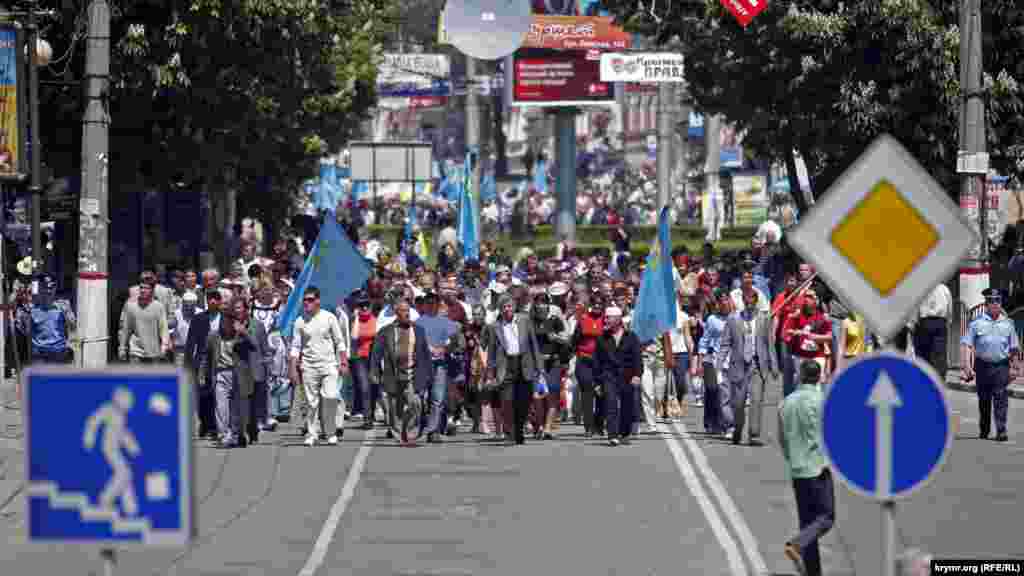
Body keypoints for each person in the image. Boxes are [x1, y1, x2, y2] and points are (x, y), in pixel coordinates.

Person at [779, 360, 835, 576]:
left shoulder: (786, 403)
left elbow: (782, 438)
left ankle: (813, 572)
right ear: (819, 376)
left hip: (797, 469)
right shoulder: (822, 401)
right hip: (818, 468)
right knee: (826, 517)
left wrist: (792, 458)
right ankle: (796, 544)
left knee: (808, 523)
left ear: (800, 375)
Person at [961, 288, 1019, 442]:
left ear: (1001, 303)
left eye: (997, 301)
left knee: (1001, 397)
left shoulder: (1008, 324)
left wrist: (1014, 367)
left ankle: (1001, 430)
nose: (995, 304)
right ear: (986, 304)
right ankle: (984, 428)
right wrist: (967, 365)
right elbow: (967, 345)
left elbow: (1014, 347)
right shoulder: (976, 323)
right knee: (984, 400)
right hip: (982, 365)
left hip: (1001, 365)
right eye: (991, 301)